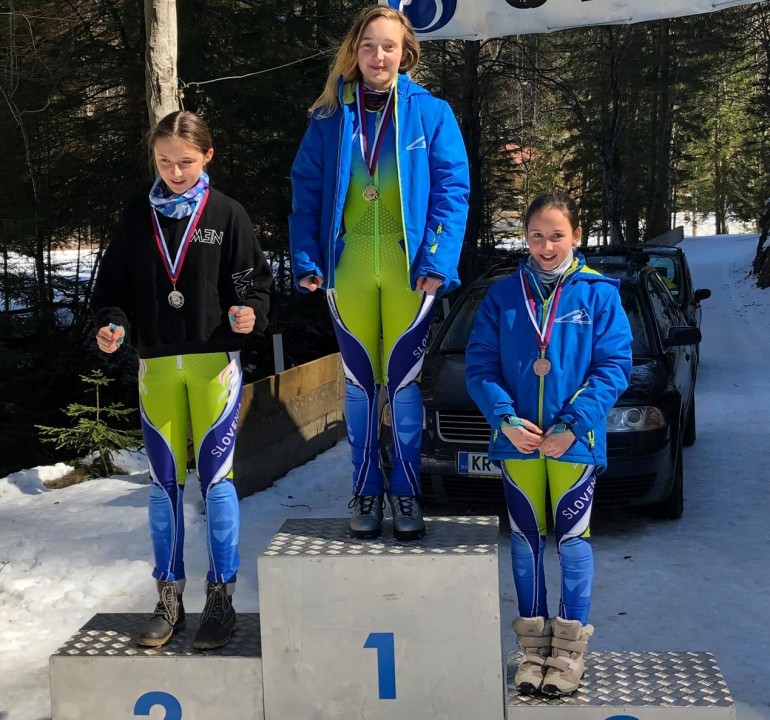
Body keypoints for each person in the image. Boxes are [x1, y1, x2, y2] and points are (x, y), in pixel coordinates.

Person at [91, 110, 272, 650]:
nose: (175, 171)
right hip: (157, 369)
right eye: (165, 161)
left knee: (216, 483)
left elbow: (254, 286)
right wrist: (113, 327)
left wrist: (251, 315)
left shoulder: (227, 214)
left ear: (207, 156)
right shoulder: (135, 217)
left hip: (213, 366)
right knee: (162, 485)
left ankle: (222, 600)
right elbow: (111, 291)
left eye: (186, 162)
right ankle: (168, 599)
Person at [289, 6, 469, 541]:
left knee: (405, 385)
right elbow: (307, 196)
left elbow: (451, 192)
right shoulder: (328, 118)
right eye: (368, 45)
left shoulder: (430, 113)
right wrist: (307, 259)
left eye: (388, 46)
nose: (378, 56)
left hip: (407, 271)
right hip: (348, 270)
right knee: (361, 386)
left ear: (405, 53)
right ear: (354, 51)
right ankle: (367, 487)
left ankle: (407, 491)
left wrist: (438, 260)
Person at [465, 191, 632, 696]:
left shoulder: (599, 294)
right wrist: (505, 419)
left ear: (576, 237)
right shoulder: (502, 295)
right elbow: (480, 368)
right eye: (536, 235)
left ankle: (568, 653)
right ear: (525, 239)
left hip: (571, 444)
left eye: (557, 235)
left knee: (573, 541)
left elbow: (614, 367)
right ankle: (533, 651)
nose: (546, 245)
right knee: (525, 541)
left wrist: (573, 424)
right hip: (518, 441)